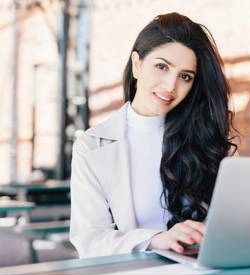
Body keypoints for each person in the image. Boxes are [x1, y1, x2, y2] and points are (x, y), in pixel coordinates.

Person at [70, 12, 238, 258]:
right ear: (137, 65)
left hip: (203, 270)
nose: (171, 86)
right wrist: (156, 239)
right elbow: (90, 239)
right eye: (162, 67)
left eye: (185, 76)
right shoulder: (91, 145)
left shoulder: (208, 138)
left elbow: (235, 224)